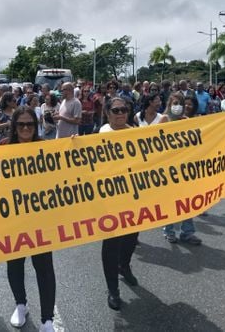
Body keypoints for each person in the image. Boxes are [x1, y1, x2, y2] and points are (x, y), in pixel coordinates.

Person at [1, 106, 56, 332]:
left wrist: (73, 146)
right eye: (21, 124)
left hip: (41, 219)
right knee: (15, 264)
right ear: (14, 126)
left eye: (30, 124)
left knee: (44, 267)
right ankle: (20, 305)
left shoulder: (46, 148)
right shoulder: (2, 148)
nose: (25, 128)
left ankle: (47, 319)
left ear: (36, 126)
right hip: (12, 219)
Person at [99, 96, 139, 310]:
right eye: (116, 110)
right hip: (110, 199)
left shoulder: (136, 133)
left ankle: (124, 265)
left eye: (124, 109)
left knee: (132, 238)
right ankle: (112, 289)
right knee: (112, 243)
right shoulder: (103, 134)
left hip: (133, 195)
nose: (120, 113)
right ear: (108, 114)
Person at [160, 95, 202, 245]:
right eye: (175, 103)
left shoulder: (186, 121)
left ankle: (187, 232)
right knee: (169, 201)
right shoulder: (164, 120)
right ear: (170, 104)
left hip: (184, 167)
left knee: (187, 202)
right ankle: (169, 231)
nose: (177, 106)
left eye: (180, 104)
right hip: (167, 167)